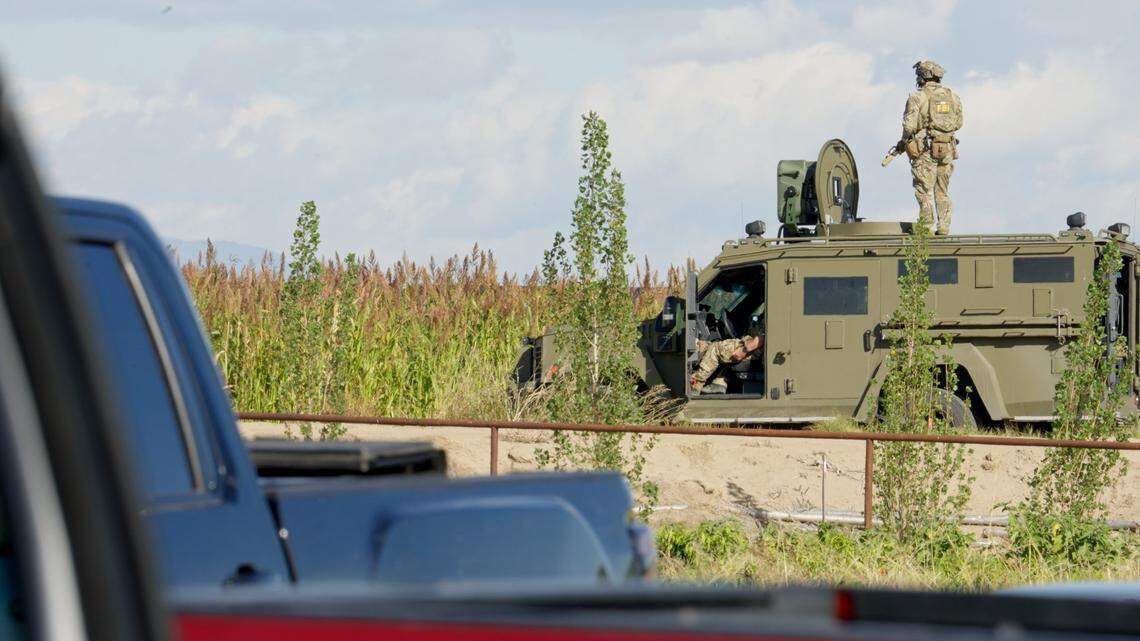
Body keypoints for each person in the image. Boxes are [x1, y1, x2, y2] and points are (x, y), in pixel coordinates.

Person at [901, 60, 963, 235]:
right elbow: (959, 123)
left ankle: (926, 227)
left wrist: (905, 141)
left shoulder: (917, 97)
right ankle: (944, 226)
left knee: (924, 189)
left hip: (925, 150)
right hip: (947, 148)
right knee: (942, 190)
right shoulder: (953, 97)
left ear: (922, 76)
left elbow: (909, 127)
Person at [691, 333, 763, 395]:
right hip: (756, 345)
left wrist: (745, 350)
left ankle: (696, 384)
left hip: (757, 348)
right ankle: (719, 384)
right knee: (714, 348)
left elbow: (765, 336)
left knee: (717, 349)